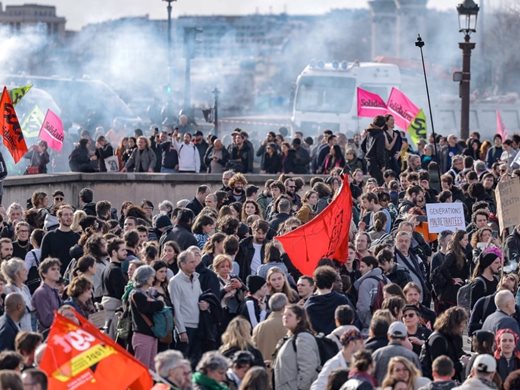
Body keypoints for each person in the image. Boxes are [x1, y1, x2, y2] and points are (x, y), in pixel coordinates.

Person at [169, 250, 209, 366]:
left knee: (195, 362)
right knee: (182, 363)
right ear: (182, 264)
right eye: (191, 262)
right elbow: (175, 307)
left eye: (194, 261)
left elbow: (201, 296)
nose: (194, 264)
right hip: (185, 327)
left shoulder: (196, 278)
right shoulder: (175, 282)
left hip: (198, 326)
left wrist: (205, 304)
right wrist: (181, 331)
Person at [273, 304, 320, 390]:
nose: (285, 317)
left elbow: (308, 368)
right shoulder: (291, 338)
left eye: (289, 315)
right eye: (284, 315)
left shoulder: (303, 338)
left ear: (299, 319)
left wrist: (300, 387)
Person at [129, 265, 164, 370]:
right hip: (142, 335)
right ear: (145, 278)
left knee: (152, 369)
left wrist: (157, 302)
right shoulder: (136, 294)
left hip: (151, 334)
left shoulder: (148, 293)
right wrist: (159, 303)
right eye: (151, 276)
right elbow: (148, 308)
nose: (153, 279)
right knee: (142, 368)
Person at [420, 307, 469, 381]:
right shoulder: (439, 340)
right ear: (456, 324)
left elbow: (457, 352)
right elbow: (441, 369)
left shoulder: (448, 337)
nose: (463, 327)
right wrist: (461, 364)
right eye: (462, 324)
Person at [305, 265, 352, 335]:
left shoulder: (308, 305)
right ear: (332, 283)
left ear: (315, 283)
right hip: (338, 341)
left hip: (317, 342)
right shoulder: (342, 300)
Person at [252, 293, 288, 365]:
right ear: (285, 307)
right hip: (281, 371)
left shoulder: (259, 327)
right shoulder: (288, 326)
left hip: (262, 371)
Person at [31, 258, 62, 332]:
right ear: (44, 274)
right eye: (53, 269)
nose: (57, 272)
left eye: (58, 269)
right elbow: (47, 321)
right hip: (48, 336)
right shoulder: (41, 292)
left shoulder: (53, 291)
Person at [361, 115, 386, 185]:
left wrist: (368, 152)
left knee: (370, 184)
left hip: (368, 162)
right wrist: (382, 165)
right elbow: (379, 152)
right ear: (383, 126)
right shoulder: (381, 135)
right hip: (376, 164)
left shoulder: (369, 133)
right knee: (378, 184)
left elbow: (362, 145)